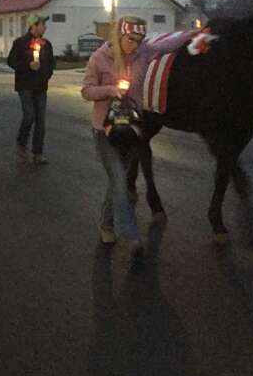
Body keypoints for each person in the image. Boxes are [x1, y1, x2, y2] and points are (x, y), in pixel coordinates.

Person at [81, 16, 195, 256]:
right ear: (119, 36)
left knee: (117, 182)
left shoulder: (144, 52)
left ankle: (106, 223)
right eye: (131, 39)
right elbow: (87, 91)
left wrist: (195, 35)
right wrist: (112, 90)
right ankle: (131, 237)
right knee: (121, 182)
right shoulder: (99, 58)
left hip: (131, 128)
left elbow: (168, 44)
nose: (135, 44)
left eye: (140, 40)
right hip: (105, 129)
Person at [7, 13, 55, 164]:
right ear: (33, 25)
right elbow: (11, 61)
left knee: (41, 120)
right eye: (42, 24)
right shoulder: (20, 43)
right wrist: (27, 66)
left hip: (41, 86)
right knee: (30, 115)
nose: (45, 27)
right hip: (25, 85)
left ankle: (38, 152)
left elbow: (52, 63)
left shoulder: (46, 44)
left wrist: (47, 73)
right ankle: (21, 142)